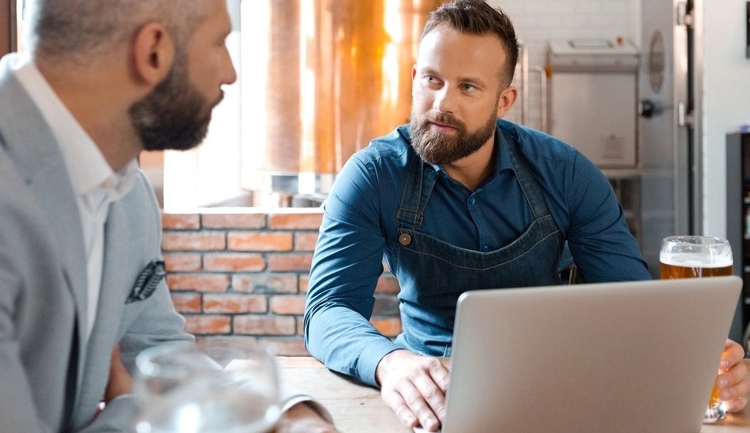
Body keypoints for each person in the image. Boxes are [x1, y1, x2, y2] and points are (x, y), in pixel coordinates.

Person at [304, 0, 749, 431]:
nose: (442, 102)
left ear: (505, 100)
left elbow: (635, 307)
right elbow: (327, 310)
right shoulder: (372, 175)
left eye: (468, 87)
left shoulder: (566, 174)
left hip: (557, 392)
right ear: (414, 76)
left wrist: (704, 363)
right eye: (432, 80)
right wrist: (390, 363)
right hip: (429, 397)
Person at [0, 0, 337, 432]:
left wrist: (282, 413)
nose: (230, 72)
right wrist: (129, 409)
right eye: (219, 42)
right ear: (153, 51)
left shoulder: (127, 192)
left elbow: (162, 355)